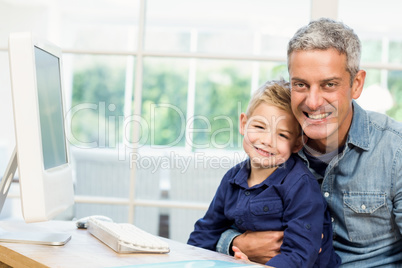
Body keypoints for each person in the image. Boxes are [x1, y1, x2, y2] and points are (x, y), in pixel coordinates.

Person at [216, 18, 402, 267]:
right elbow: (222, 221)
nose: (313, 102)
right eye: (301, 85)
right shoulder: (277, 144)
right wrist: (235, 242)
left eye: (329, 85)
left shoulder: (394, 151)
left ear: (356, 84)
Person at [187, 80, 341, 267]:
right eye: (260, 127)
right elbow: (206, 232)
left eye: (282, 135)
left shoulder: (300, 185)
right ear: (244, 124)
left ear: (297, 144)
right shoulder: (232, 179)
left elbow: (301, 253)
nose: (268, 140)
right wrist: (190, 260)